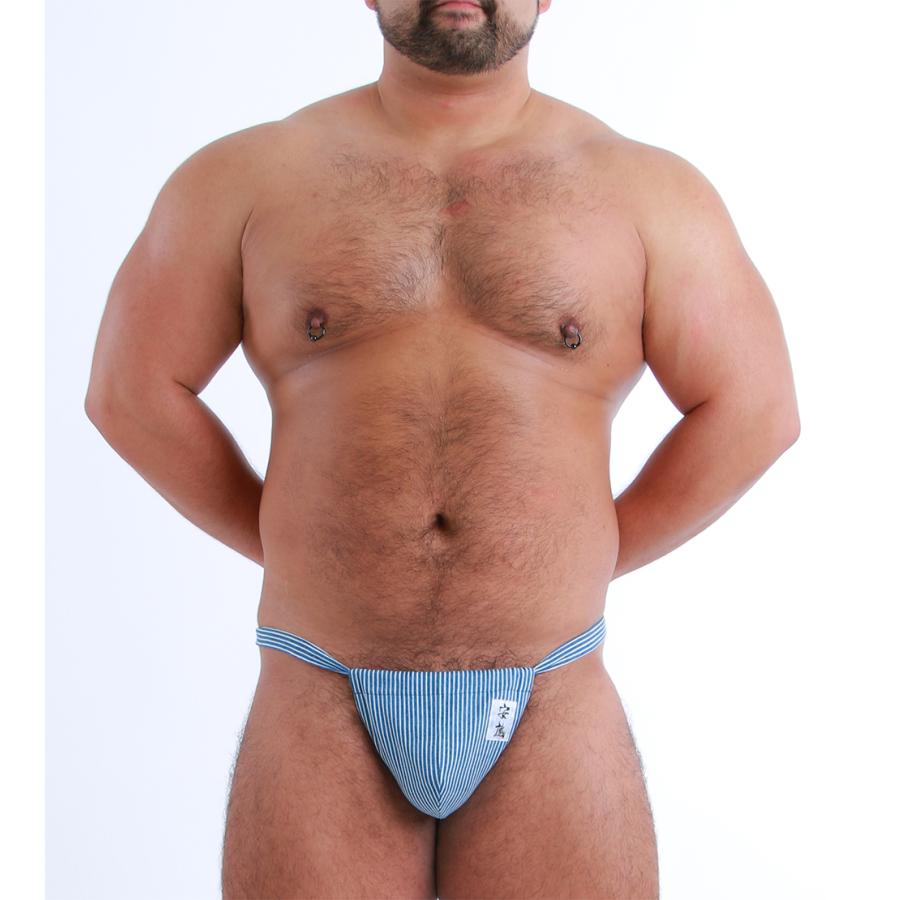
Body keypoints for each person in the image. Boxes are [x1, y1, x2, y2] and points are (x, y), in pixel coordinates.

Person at [83, 1, 800, 896]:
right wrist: (294, 545)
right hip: (321, 687)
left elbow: (755, 408)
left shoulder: (646, 192)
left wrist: (581, 554)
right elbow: (131, 391)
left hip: (551, 691)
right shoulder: (247, 178)